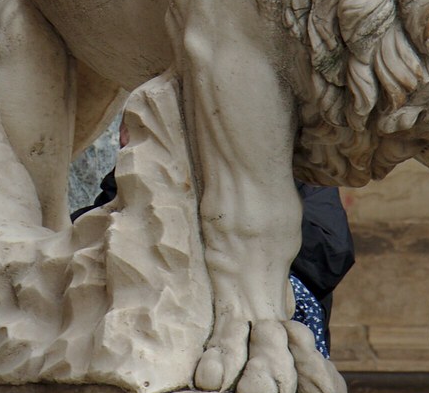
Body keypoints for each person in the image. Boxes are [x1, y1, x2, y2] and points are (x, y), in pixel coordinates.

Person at [72, 127, 355, 357]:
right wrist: (133, 169)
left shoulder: (296, 173)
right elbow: (88, 232)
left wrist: (242, 203)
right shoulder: (149, 172)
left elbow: (331, 256)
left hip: (260, 322)